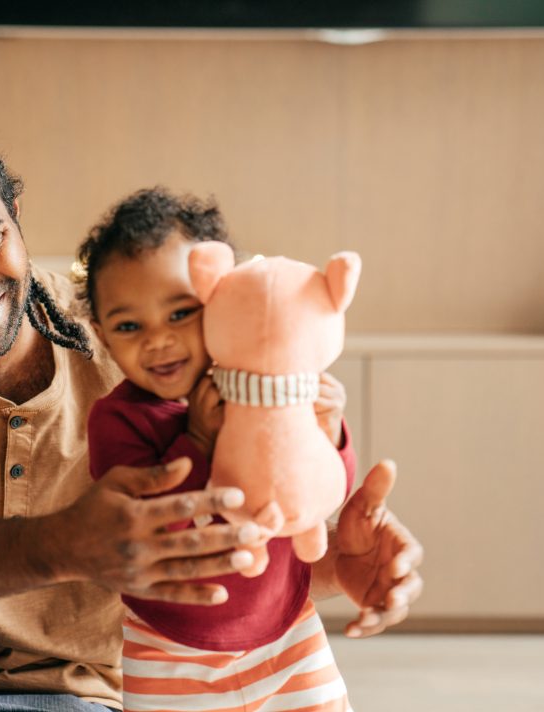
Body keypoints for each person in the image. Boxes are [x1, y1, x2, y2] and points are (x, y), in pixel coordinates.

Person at [0, 106, 424, 711]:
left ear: (17, 216)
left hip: (73, 697)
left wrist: (330, 567)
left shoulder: (130, 333)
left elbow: (228, 534)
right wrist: (64, 543)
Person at [80, 188, 357, 711]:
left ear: (219, 296)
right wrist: (200, 442)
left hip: (288, 630)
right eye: (129, 326)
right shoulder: (117, 420)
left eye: (180, 314)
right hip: (169, 647)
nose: (157, 340)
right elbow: (150, 531)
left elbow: (322, 490)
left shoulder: (267, 391)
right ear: (101, 334)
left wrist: (329, 425)